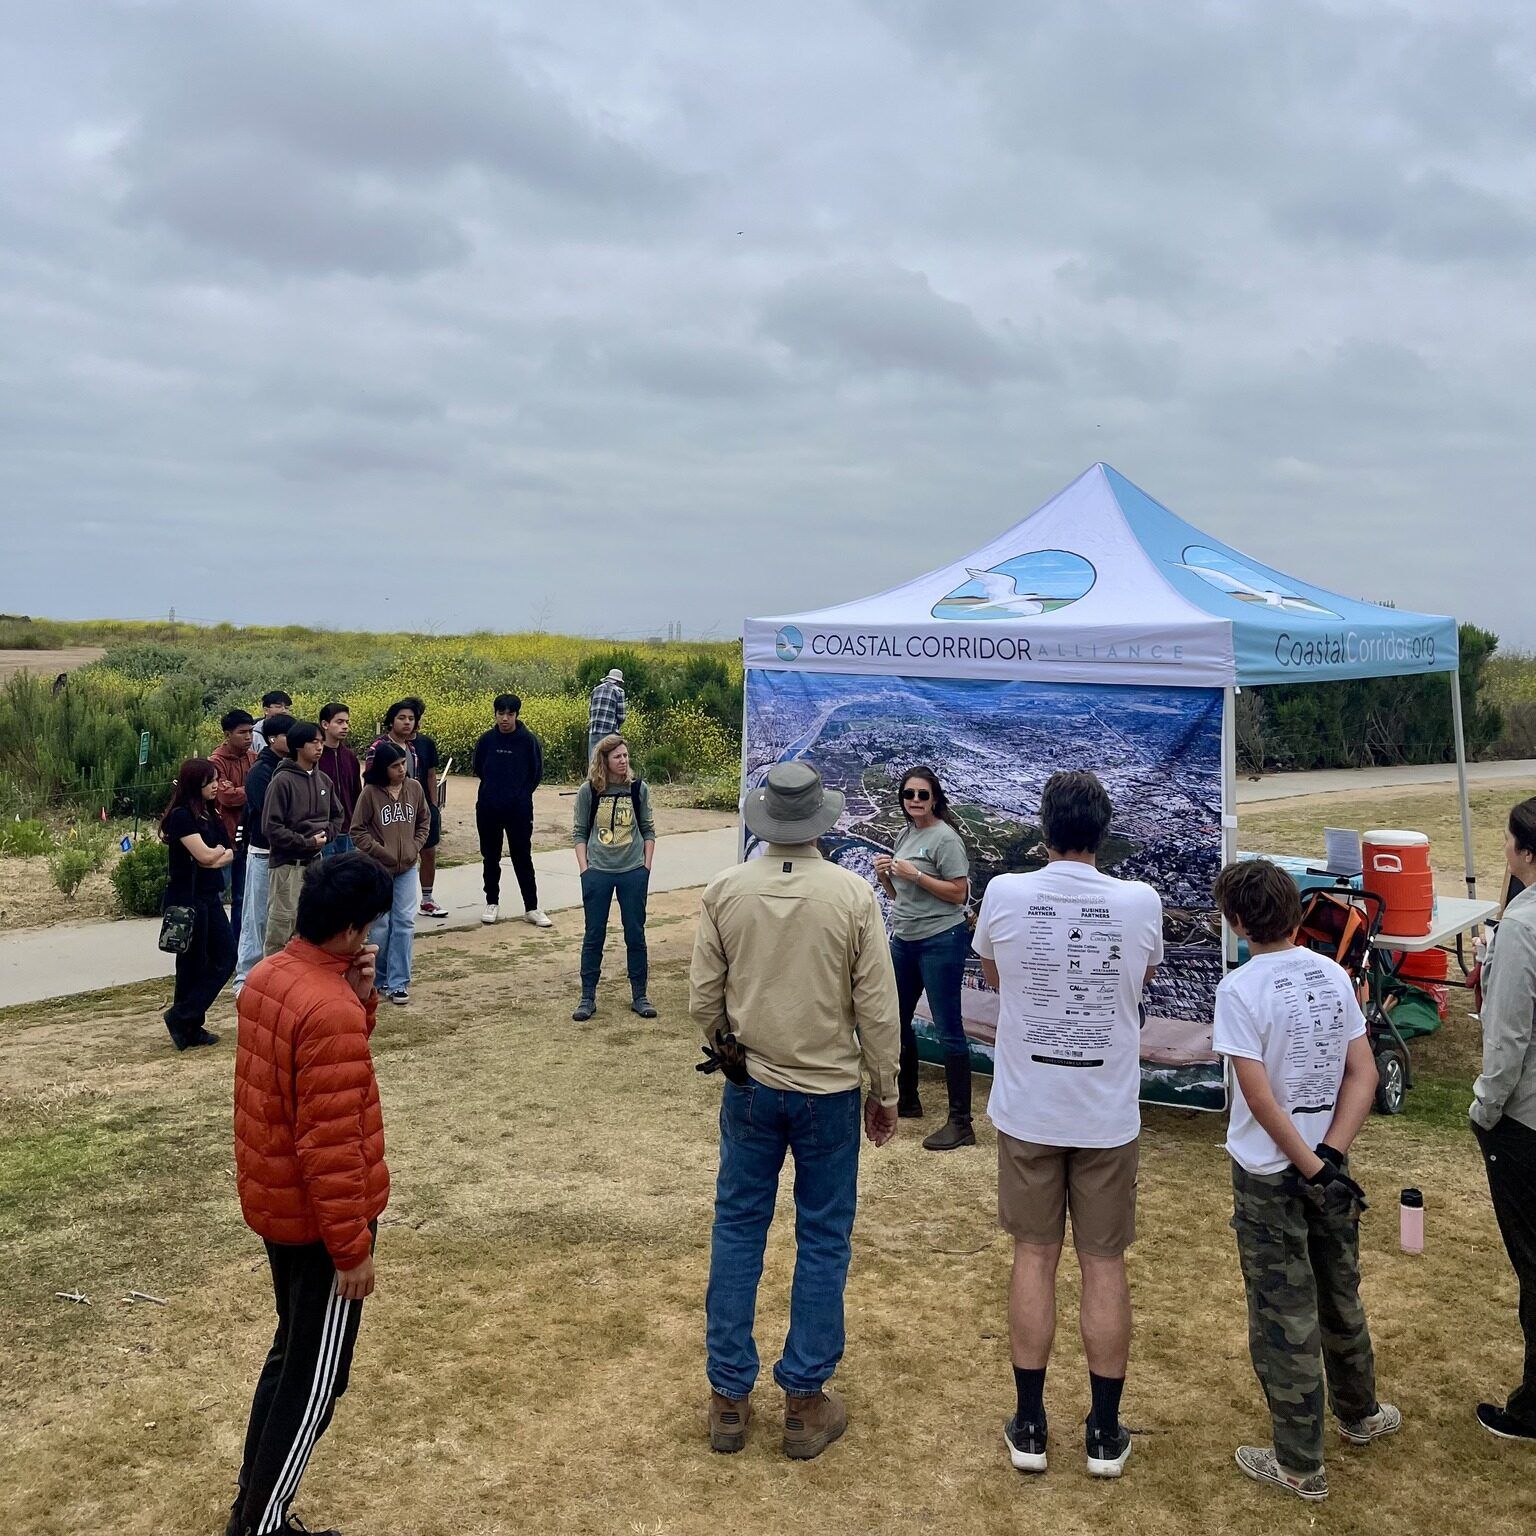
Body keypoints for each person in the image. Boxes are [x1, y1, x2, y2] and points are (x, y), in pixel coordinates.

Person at [691, 761, 900, 1460]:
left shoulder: (725, 890)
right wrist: (885, 1089)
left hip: (750, 1084)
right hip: (828, 1091)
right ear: (822, 821)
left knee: (739, 1230)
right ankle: (804, 1403)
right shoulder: (851, 896)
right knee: (823, 1239)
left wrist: (727, 1049)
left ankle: (729, 1397)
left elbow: (702, 999)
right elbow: (876, 1007)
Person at [971, 770, 1162, 1480]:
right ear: (1102, 833)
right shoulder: (1140, 901)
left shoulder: (1007, 893)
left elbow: (992, 974)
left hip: (1029, 1107)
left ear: (1043, 829)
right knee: (1103, 1264)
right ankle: (1105, 1432)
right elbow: (1140, 982)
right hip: (1105, 1112)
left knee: (1033, 1256)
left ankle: (1030, 1423)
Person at [1212, 858, 1399, 1500]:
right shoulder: (1333, 975)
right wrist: (1333, 1158)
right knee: (1340, 1290)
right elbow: (1364, 1076)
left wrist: (1312, 1163)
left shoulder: (1240, 989)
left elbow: (1260, 1100)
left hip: (1272, 1174)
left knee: (1282, 1310)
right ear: (1298, 913)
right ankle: (1360, 1413)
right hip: (1331, 1168)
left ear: (1238, 921)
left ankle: (1298, 1460)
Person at [227, 852, 393, 1536]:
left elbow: (322, 1080)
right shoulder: (325, 1009)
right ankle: (260, 1526)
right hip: (321, 1223)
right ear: (350, 929)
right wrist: (352, 1249)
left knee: (290, 1356)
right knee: (317, 1380)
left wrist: (360, 996)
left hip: (280, 1209)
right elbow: (328, 1143)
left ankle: (252, 1504)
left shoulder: (271, 975)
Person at [1470, 796, 1536, 1442]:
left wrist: (1484, 1110)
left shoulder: (1523, 926)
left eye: (1510, 842)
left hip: (1525, 1123)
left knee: (1535, 1263)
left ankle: (1534, 1406)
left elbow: (1508, 1038)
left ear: (1525, 852)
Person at [873, 766, 974, 1151]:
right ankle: (909, 1099)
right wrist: (885, 876)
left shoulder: (945, 839)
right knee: (896, 1021)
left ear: (935, 799)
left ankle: (961, 1122)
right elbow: (902, 898)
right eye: (909, 794)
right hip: (906, 938)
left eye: (922, 795)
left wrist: (915, 875)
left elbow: (958, 894)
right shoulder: (906, 833)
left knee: (949, 1028)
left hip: (940, 940)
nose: (915, 800)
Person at [572, 734, 655, 1021]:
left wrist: (645, 868)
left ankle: (640, 996)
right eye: (617, 756)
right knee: (594, 936)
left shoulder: (638, 789)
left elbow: (648, 830)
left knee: (636, 934)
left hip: (633, 872)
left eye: (626, 755)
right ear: (604, 760)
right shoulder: (589, 791)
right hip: (598, 873)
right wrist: (585, 870)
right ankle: (587, 997)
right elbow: (580, 832)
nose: (624, 760)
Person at [159, 759, 236, 1051]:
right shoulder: (182, 816)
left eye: (217, 779)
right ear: (195, 784)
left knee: (225, 957)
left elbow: (228, 852)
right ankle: (189, 1025)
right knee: (191, 964)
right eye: (210, 781)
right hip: (187, 900)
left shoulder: (210, 814)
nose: (216, 785)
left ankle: (183, 1016)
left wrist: (215, 854)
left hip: (209, 895)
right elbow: (205, 856)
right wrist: (214, 855)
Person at [350, 741, 429, 1006]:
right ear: (383, 769)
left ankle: (398, 983)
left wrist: (414, 847)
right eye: (395, 766)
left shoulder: (415, 789)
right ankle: (379, 978)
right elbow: (357, 830)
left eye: (404, 764)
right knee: (381, 927)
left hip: (407, 867)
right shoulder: (370, 793)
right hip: (378, 869)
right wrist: (379, 851)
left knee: (404, 923)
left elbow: (423, 820)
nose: (401, 770)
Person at [262, 722, 342, 957]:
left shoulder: (324, 780)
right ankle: (273, 986)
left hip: (316, 865)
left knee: (312, 930)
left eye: (321, 742)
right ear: (298, 746)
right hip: (288, 866)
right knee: (281, 930)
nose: (320, 747)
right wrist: (305, 842)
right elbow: (271, 827)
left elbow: (338, 814)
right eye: (314, 742)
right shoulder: (282, 781)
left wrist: (327, 835)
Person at [473, 692, 551, 928]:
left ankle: (532, 907)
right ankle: (492, 902)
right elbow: (479, 768)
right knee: (491, 856)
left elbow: (535, 773)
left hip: (518, 809)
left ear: (516, 715)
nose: (505, 718)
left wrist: (519, 795)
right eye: (501, 713)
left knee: (522, 857)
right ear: (495, 714)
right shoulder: (486, 740)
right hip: (488, 807)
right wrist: (493, 792)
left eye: (510, 714)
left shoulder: (528, 741)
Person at [234, 713, 293, 996]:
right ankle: (245, 980)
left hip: (286, 853)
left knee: (281, 918)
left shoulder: (290, 767)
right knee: (255, 919)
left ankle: (274, 976)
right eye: (288, 735)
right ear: (272, 739)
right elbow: (268, 813)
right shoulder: (261, 771)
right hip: (262, 853)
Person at [210, 709, 257, 942]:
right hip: (224, 837)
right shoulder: (216, 761)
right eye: (242, 733)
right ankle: (216, 942)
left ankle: (237, 943)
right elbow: (225, 797)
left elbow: (263, 789)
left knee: (242, 897)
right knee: (217, 894)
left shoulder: (254, 757)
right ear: (228, 734)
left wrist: (237, 790)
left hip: (247, 837)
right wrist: (250, 790)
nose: (248, 737)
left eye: (250, 731)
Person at [403, 697, 447, 919]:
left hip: (424, 809)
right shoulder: (386, 745)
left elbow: (431, 774)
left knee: (428, 852)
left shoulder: (426, 743)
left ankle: (427, 900)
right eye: (404, 717)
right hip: (401, 810)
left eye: (413, 718)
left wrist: (433, 804)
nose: (409, 722)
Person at [317, 702, 361, 857]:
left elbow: (356, 793)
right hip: (323, 831)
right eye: (339, 722)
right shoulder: (315, 757)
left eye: (347, 722)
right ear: (325, 724)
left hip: (348, 830)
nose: (345, 727)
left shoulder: (350, 757)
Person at [587, 667, 626, 762]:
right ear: (618, 682)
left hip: (594, 730)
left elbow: (590, 710)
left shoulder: (596, 690)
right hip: (609, 731)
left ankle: (593, 777)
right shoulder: (619, 691)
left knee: (594, 760)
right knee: (609, 761)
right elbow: (621, 715)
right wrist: (618, 726)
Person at [250, 690, 293, 754]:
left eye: (286, 708)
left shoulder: (294, 731)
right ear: (266, 710)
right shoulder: (253, 735)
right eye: (278, 707)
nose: (284, 711)